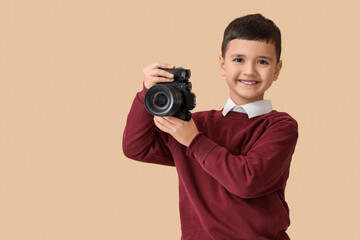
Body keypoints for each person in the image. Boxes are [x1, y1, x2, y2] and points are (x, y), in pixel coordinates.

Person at [123, 13, 298, 240]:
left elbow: (247, 182)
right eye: (239, 59)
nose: (249, 70)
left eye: (262, 61)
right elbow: (136, 147)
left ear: (277, 70)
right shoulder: (194, 124)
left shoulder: (280, 126)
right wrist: (147, 91)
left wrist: (194, 141)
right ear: (222, 65)